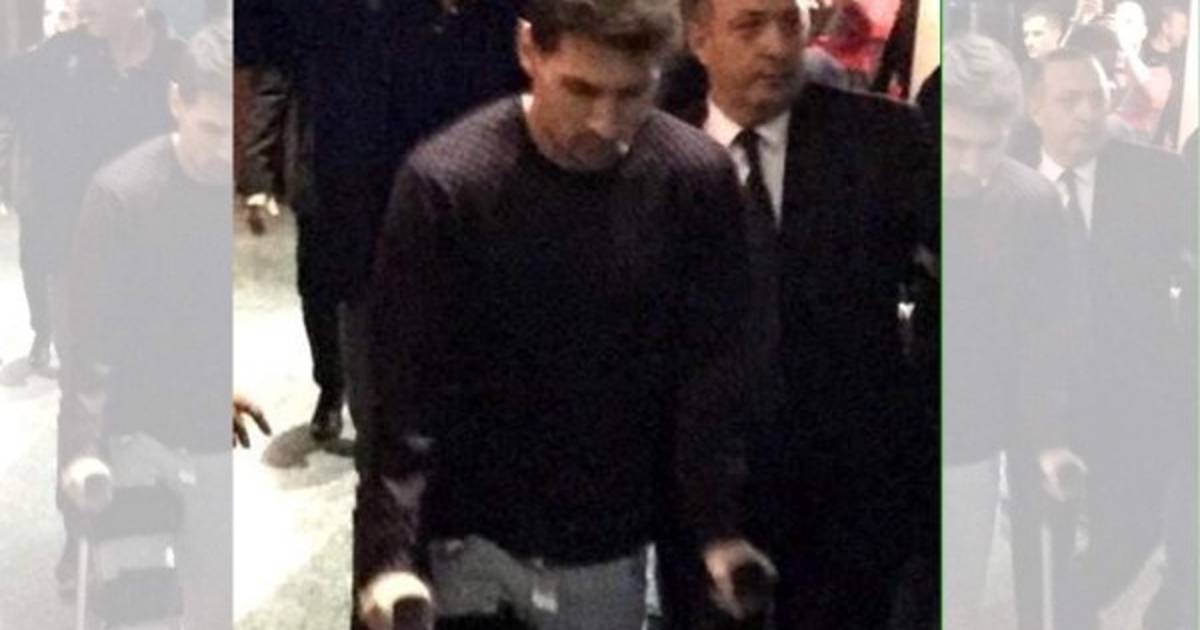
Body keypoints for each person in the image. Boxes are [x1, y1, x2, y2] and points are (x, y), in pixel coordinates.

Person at [354, 0, 773, 627]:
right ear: (529, 50)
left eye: (632, 94)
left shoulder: (696, 179)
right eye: (579, 90)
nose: (605, 123)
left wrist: (717, 525)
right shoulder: (448, 183)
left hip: (605, 541)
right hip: (470, 534)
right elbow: (403, 393)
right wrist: (390, 557)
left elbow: (712, 370)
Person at [669, 0, 937, 626]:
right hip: (705, 490)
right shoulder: (660, 154)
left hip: (850, 485)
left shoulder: (882, 139)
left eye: (789, 23)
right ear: (700, 40)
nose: (775, 45)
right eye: (749, 25)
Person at [56, 21, 235, 629]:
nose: (225, 151)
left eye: (235, 133)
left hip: (213, 435)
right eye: (211, 129)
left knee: (214, 603)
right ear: (176, 102)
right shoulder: (120, 195)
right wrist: (83, 450)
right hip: (137, 433)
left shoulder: (236, 196)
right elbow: (89, 343)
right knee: (138, 610)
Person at [1021, 46, 1195, 630]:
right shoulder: (1006, 175)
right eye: (1070, 99)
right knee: (1039, 542)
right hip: (1036, 402)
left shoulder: (1158, 175)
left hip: (1135, 394)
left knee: (1136, 526)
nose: (1089, 112)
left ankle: (1072, 607)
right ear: (1035, 108)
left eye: (1098, 97)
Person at [941, 35, 1085, 630]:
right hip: (876, 433)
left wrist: (1048, 436)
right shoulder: (887, 183)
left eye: (990, 146)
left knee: (956, 599)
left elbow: (1044, 331)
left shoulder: (1032, 202)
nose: (972, 166)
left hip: (971, 437)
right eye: (956, 144)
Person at [0, 0, 182, 370]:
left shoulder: (178, 62)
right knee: (83, 379)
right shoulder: (63, 53)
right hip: (72, 250)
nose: (82, 4)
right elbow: (10, 87)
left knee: (150, 374)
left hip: (151, 254)